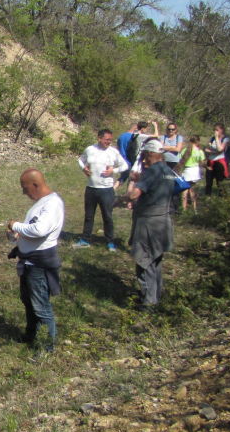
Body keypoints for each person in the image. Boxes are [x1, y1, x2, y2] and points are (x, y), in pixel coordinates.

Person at [7, 169, 65, 352]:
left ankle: (46, 346)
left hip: (39, 264)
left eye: (25, 188)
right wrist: (16, 235)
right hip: (29, 262)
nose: (24, 192)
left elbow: (40, 230)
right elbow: (32, 229)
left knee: (41, 306)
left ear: (35, 185)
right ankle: (31, 334)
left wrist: (15, 225)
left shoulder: (52, 203)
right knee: (28, 300)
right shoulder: (41, 203)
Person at [114, 139, 175, 309]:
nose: (143, 159)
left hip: (149, 222)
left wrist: (119, 199)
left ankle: (148, 302)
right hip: (163, 221)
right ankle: (156, 294)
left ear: (149, 154)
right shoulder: (167, 170)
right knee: (156, 260)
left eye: (143, 156)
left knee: (144, 260)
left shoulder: (153, 170)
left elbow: (135, 194)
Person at [73, 129, 129, 251]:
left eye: (110, 139)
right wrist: (84, 168)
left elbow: (124, 165)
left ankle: (110, 242)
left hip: (106, 189)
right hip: (91, 188)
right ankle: (85, 240)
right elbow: (80, 160)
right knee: (89, 215)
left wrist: (113, 171)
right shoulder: (90, 149)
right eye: (106, 139)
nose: (109, 142)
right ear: (99, 138)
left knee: (107, 216)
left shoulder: (113, 152)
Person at [175, 135, 205, 212]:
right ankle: (195, 209)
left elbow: (180, 161)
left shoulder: (185, 150)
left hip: (187, 171)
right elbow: (202, 163)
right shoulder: (199, 151)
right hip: (195, 171)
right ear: (198, 142)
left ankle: (184, 209)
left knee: (184, 191)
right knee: (192, 191)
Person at [205, 124, 230, 195]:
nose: (215, 131)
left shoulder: (225, 138)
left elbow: (220, 149)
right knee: (209, 181)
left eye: (217, 130)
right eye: (214, 130)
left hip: (219, 161)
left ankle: (221, 197)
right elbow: (207, 149)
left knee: (219, 181)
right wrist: (214, 152)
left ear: (222, 130)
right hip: (211, 161)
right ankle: (208, 197)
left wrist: (217, 138)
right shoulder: (212, 138)